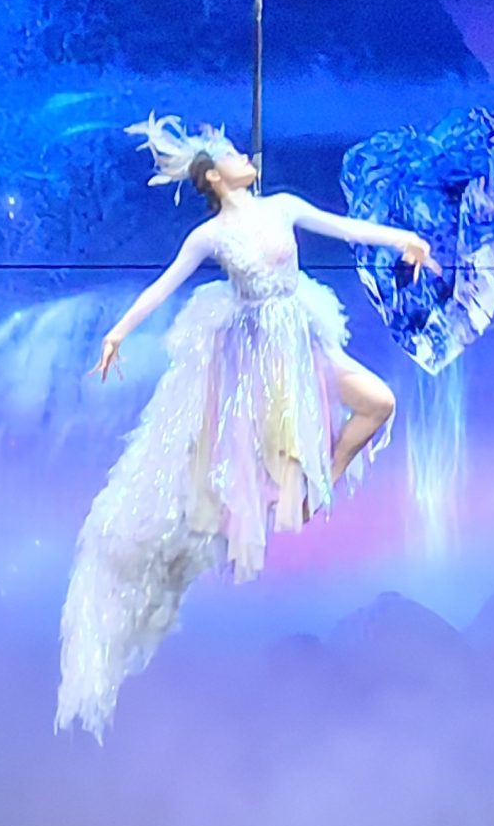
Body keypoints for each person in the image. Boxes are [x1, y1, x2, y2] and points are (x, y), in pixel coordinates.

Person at [56, 116, 431, 734]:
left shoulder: (281, 206)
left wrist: (405, 239)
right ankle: (283, 494)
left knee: (379, 402)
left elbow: (344, 227)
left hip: (303, 337)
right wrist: (117, 333)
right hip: (259, 357)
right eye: (230, 155)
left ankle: (319, 484)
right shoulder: (208, 236)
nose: (242, 156)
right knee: (244, 458)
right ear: (213, 177)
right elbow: (164, 287)